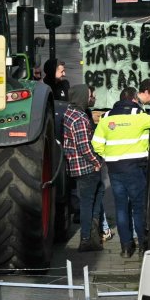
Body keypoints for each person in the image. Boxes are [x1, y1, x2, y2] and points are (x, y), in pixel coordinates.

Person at [92, 86, 150, 257]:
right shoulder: (141, 117)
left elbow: (96, 143)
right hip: (135, 168)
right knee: (138, 208)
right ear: (135, 99)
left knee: (121, 208)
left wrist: (109, 156)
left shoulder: (106, 118)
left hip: (115, 170)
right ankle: (143, 246)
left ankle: (126, 248)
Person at [61, 84, 104, 252]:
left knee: (95, 197)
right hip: (86, 167)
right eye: (89, 95)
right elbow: (84, 146)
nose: (92, 98)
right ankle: (87, 239)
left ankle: (92, 236)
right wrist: (96, 162)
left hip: (79, 167)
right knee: (88, 203)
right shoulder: (79, 118)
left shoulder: (70, 113)